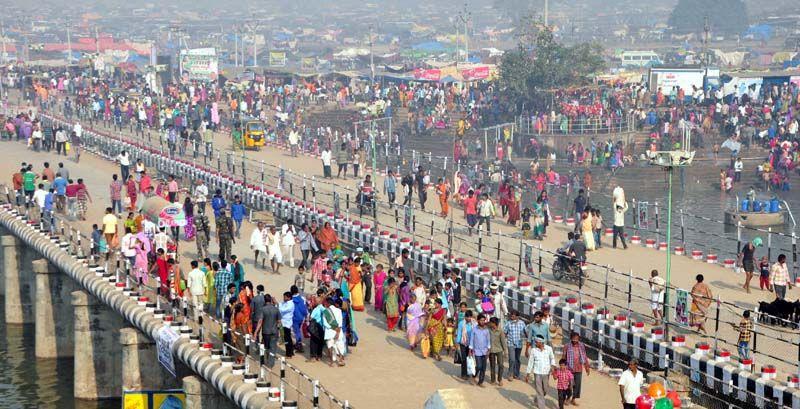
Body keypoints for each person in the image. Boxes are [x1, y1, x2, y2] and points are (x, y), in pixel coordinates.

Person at [525, 335, 556, 409]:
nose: (535, 343)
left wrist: (553, 367)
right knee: (539, 391)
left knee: (545, 390)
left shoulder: (549, 349)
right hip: (537, 373)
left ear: (541, 342)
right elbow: (530, 362)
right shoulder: (533, 350)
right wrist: (528, 374)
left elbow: (552, 358)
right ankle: (541, 406)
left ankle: (537, 398)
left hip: (546, 372)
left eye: (537, 342)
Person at [563, 331, 590, 405]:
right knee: (570, 385)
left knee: (577, 385)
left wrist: (587, 367)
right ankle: (568, 398)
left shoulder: (581, 346)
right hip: (569, 369)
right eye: (574, 339)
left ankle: (573, 399)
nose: (575, 340)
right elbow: (563, 357)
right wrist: (562, 368)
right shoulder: (567, 346)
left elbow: (584, 356)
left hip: (579, 368)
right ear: (571, 338)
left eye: (577, 339)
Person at [255, 294, 281, 367]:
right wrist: (279, 331)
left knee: (267, 347)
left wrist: (256, 332)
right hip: (274, 332)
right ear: (271, 301)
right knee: (273, 348)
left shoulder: (263, 309)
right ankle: (270, 364)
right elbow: (279, 322)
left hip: (266, 332)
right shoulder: (276, 309)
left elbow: (260, 322)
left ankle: (268, 361)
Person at [469, 313, 491, 386]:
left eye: (483, 320)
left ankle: (480, 382)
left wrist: (488, 349)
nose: (482, 322)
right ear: (478, 320)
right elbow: (471, 340)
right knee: (479, 366)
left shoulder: (486, 330)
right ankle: (474, 376)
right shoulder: (474, 329)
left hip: (485, 350)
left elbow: (488, 340)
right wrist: (470, 350)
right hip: (477, 351)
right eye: (481, 320)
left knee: (483, 367)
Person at [504, 310, 526, 381]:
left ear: (517, 316)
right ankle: (510, 374)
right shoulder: (508, 323)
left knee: (517, 359)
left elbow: (525, 332)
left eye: (513, 316)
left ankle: (516, 374)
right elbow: (504, 333)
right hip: (511, 343)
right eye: (511, 315)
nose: (511, 317)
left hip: (519, 344)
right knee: (512, 359)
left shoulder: (522, 323)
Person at [488, 316, 507, 386]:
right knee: (492, 365)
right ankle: (493, 379)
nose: (490, 323)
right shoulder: (488, 329)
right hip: (491, 350)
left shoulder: (500, 331)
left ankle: (500, 379)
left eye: (491, 322)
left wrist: (505, 351)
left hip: (499, 350)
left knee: (501, 365)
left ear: (494, 323)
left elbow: (503, 341)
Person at [457, 310, 475, 379]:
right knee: (464, 359)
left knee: (470, 358)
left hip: (471, 344)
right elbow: (459, 333)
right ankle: (463, 374)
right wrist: (457, 342)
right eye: (467, 317)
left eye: (470, 317)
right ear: (465, 317)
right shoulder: (461, 323)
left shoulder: (474, 323)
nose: (469, 318)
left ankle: (469, 372)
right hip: (463, 343)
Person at [291, 285, 308, 352]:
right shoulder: (302, 298)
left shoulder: (291, 299)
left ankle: (298, 345)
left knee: (295, 332)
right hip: (301, 317)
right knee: (298, 331)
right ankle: (299, 344)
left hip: (294, 318)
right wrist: (306, 316)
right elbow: (304, 309)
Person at [278, 292, 295, 358]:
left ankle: (289, 354)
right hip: (283, 323)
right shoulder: (284, 303)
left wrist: (277, 304)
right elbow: (280, 305)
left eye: (285, 297)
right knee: (287, 338)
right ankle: (291, 351)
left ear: (289, 297)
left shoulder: (291, 304)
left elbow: (282, 310)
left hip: (287, 323)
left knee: (287, 339)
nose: (284, 298)